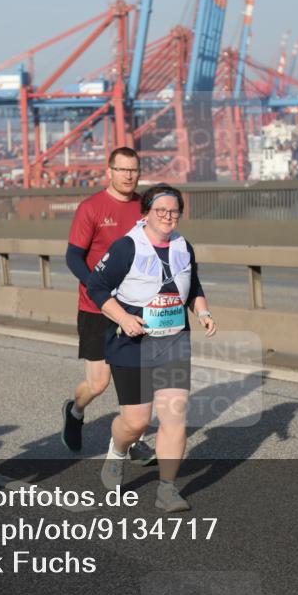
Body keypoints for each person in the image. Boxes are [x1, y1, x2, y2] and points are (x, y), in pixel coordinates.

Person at [86, 183, 217, 512]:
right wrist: (123, 318)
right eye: (161, 210)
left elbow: (192, 284)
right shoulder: (126, 247)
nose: (168, 217)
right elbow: (96, 286)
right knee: (137, 422)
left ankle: (167, 489)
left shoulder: (183, 246)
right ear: (146, 213)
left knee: (175, 416)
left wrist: (202, 311)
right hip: (133, 341)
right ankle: (117, 451)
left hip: (173, 339)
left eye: (174, 211)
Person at [62, 147, 155, 464]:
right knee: (98, 383)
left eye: (134, 170)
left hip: (134, 308)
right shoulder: (91, 208)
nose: (129, 175)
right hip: (95, 308)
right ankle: (74, 411)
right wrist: (96, 286)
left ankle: (138, 438)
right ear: (110, 171)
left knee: (139, 375)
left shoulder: (146, 207)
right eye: (123, 169)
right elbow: (73, 255)